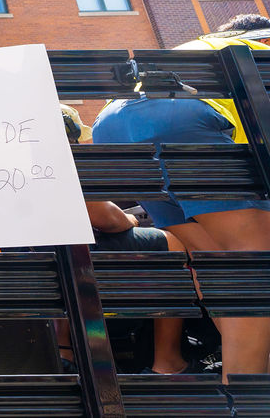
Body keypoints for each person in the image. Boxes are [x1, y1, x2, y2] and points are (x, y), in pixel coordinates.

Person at [92, 14, 270, 381]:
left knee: (220, 267)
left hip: (111, 128)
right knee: (257, 260)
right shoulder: (258, 46)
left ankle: (247, 376)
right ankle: (249, 395)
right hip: (177, 117)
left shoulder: (196, 47)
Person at [60, 105, 194, 375]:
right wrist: (131, 219)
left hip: (34, 261)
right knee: (173, 243)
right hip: (69, 259)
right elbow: (106, 218)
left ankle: (64, 347)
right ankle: (168, 362)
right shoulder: (55, 163)